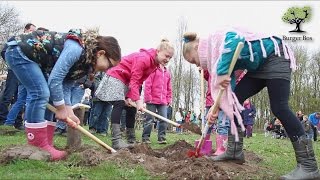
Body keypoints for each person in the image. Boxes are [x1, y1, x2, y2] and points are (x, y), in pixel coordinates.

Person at [181, 27, 319, 179]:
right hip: (259, 66)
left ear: (196, 48)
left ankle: (308, 166)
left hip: (276, 55)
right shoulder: (216, 55)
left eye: (193, 61)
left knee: (279, 107)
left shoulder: (215, 39)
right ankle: (234, 151)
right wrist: (217, 106)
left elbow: (235, 40)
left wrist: (221, 73)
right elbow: (229, 87)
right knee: (235, 100)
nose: (197, 65)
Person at [5, 28, 121, 160]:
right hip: (20, 51)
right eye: (110, 65)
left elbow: (65, 85)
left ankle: (46, 142)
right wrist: (60, 109)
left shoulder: (85, 64)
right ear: (101, 53)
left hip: (34, 60)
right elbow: (55, 79)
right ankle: (37, 144)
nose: (108, 70)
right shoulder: (76, 49)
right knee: (40, 93)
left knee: (49, 97)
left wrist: (69, 112)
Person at [95, 39, 174, 149]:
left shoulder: (154, 65)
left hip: (126, 81)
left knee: (130, 108)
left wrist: (131, 98)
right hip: (116, 75)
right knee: (119, 103)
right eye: (166, 56)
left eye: (170, 57)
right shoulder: (144, 59)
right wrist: (138, 100)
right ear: (158, 51)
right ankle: (116, 141)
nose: (168, 59)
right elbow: (135, 80)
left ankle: (130, 139)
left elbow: (140, 81)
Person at [0, 23, 36, 128]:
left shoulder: (31, 42)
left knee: (20, 97)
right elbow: (3, 51)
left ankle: (18, 122)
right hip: (14, 70)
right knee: (9, 94)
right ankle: (2, 119)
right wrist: (12, 63)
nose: (32, 33)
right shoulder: (16, 38)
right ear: (25, 30)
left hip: (24, 71)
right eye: (31, 31)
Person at [142, 64, 172, 144]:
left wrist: (168, 99)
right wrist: (148, 98)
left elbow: (169, 88)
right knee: (149, 119)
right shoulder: (153, 70)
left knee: (164, 119)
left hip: (163, 101)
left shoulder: (167, 73)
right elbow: (148, 84)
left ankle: (161, 138)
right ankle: (145, 138)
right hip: (152, 100)